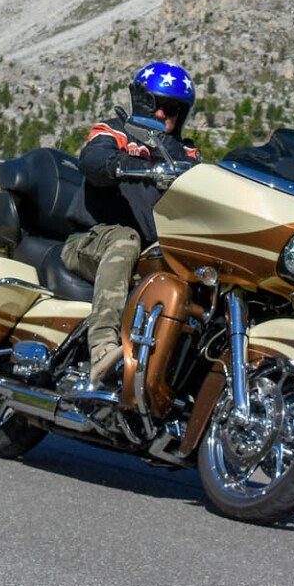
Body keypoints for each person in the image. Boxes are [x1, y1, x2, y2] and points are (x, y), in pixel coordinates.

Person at [67, 61, 200, 385]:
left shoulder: (186, 155)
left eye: (171, 109)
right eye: (155, 105)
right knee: (127, 239)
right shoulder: (114, 131)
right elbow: (93, 160)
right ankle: (101, 348)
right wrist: (118, 163)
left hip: (154, 251)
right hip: (93, 239)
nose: (161, 115)